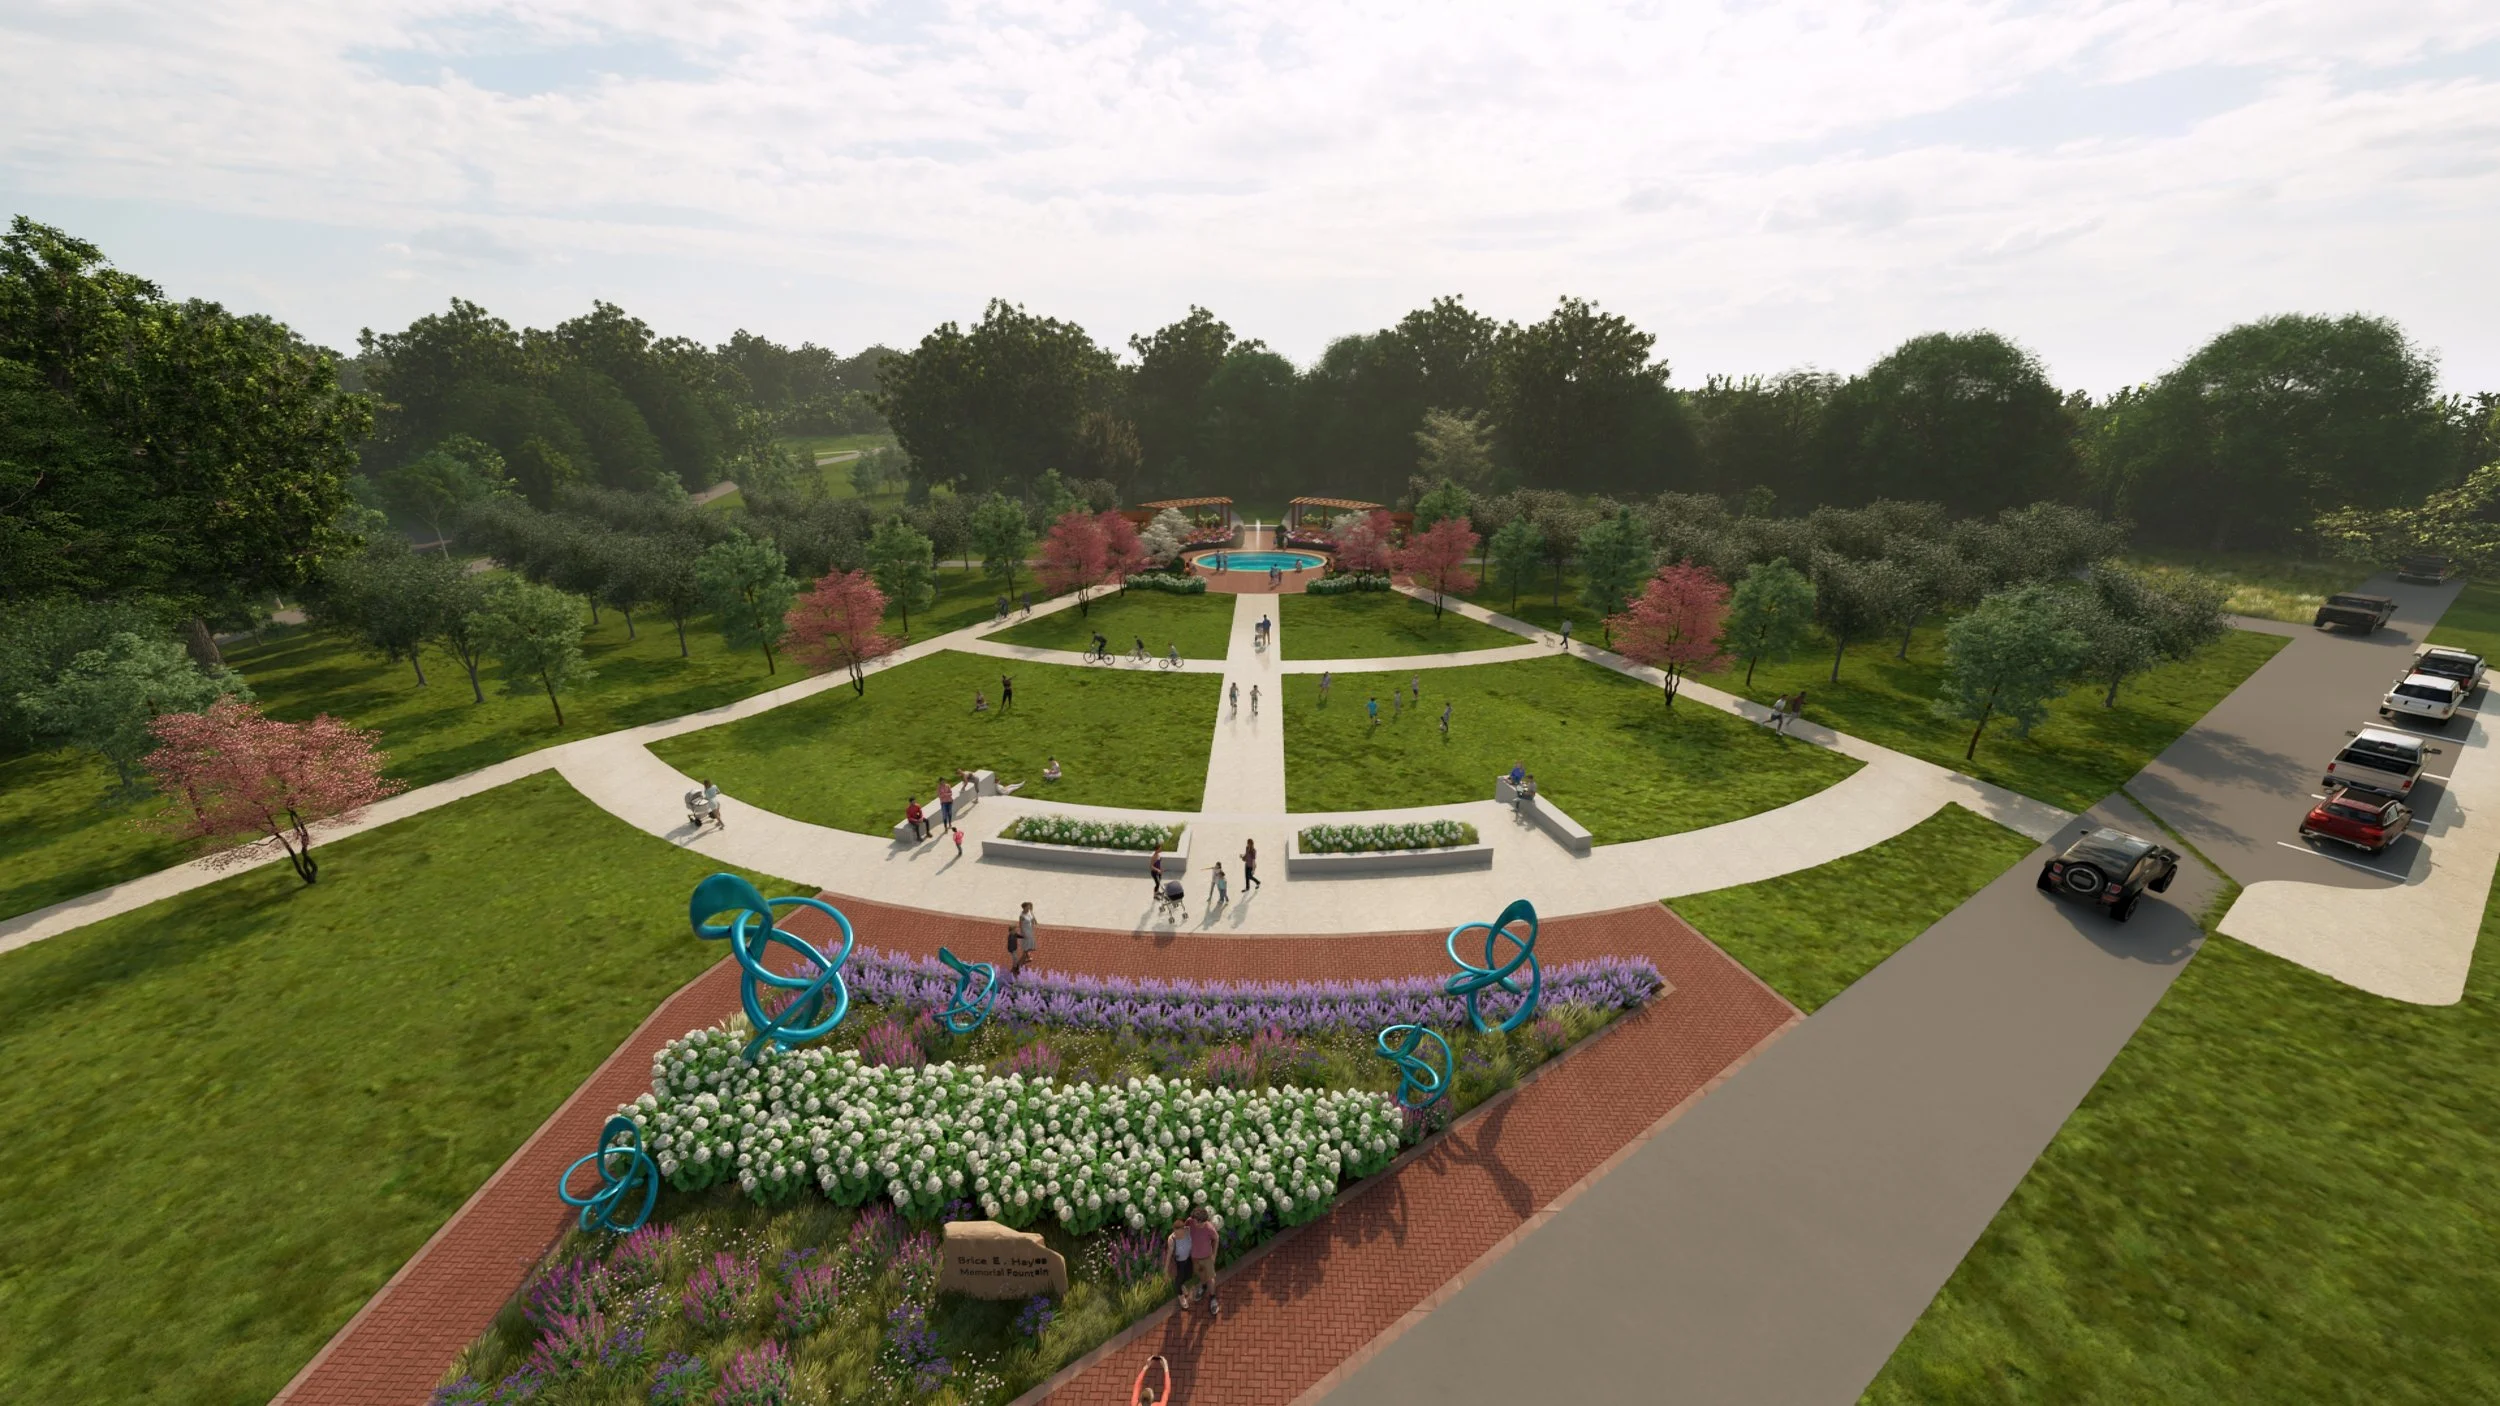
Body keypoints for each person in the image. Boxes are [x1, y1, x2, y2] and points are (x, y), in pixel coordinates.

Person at [1188, 1207, 1220, 1315]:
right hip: (1195, 1257)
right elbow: (1185, 1230)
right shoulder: (1190, 1221)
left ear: (1203, 1221)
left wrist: (1214, 1255)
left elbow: (1216, 1239)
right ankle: (1203, 1287)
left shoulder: (1209, 1228)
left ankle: (1212, 1297)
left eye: (1196, 1222)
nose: (1194, 1223)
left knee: (1210, 1278)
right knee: (1201, 1275)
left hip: (1206, 1257)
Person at [1166, 1216, 1197, 1308]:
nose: (1177, 1236)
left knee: (1189, 1275)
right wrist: (1165, 1269)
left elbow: (1195, 1223)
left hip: (1188, 1259)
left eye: (1179, 1234)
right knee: (1178, 1280)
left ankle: (1182, 1284)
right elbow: (1169, 1254)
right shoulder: (1172, 1239)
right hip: (1179, 1263)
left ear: (1184, 1229)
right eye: (1175, 1233)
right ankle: (1180, 1296)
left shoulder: (1188, 1231)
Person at [1012, 901, 1037, 973]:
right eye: (1028, 907)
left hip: (1030, 931)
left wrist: (1032, 912)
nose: (1029, 908)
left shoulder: (1029, 913)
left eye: (1029, 907)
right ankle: (1018, 966)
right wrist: (1023, 934)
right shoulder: (1021, 916)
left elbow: (1035, 922)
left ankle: (1026, 957)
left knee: (1028, 948)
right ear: (1024, 907)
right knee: (1026, 949)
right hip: (1026, 933)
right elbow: (1020, 925)